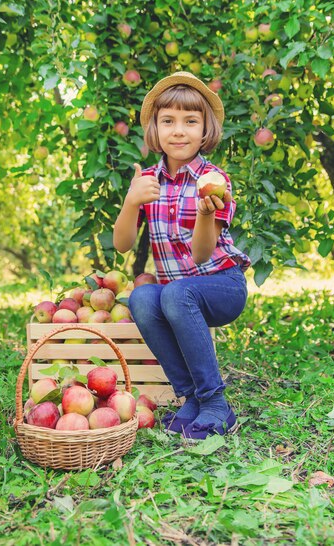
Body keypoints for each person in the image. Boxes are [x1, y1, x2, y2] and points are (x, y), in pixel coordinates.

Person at [113, 71, 251, 441]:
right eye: (168, 121)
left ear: (206, 130)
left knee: (174, 292)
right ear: (155, 131)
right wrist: (130, 202)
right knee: (142, 297)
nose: (179, 130)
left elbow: (203, 253)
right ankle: (191, 397)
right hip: (180, 294)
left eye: (191, 121)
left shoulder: (214, 179)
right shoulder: (148, 181)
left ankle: (216, 403)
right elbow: (123, 244)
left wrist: (206, 214)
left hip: (223, 285)